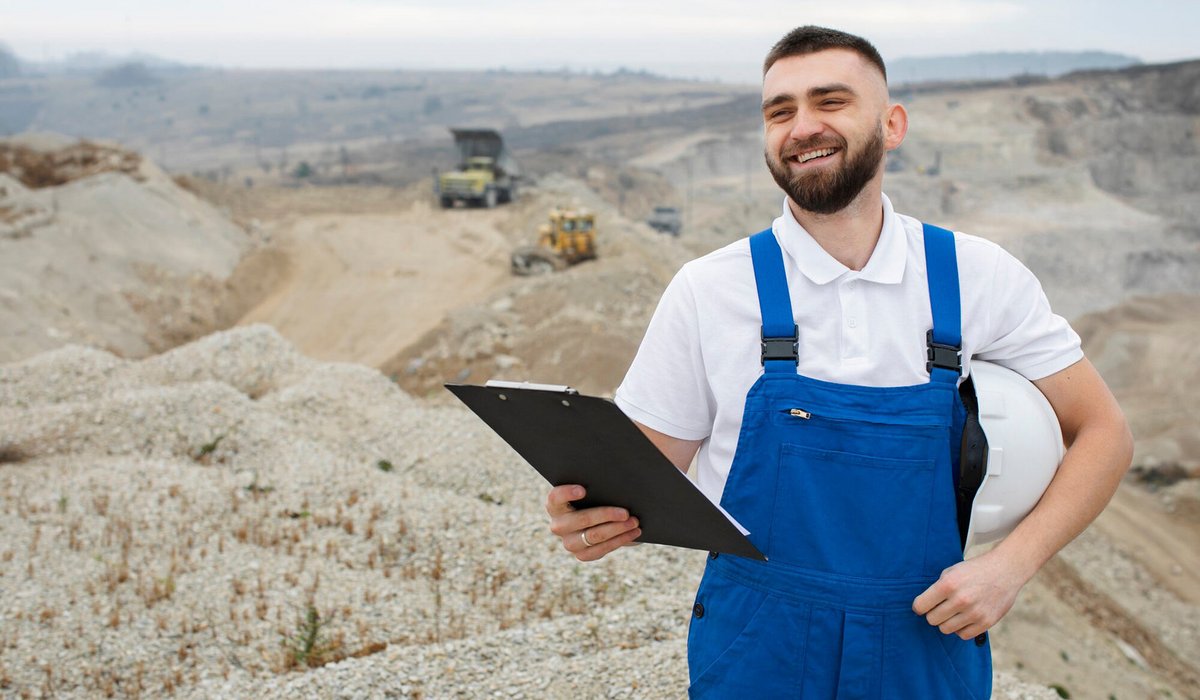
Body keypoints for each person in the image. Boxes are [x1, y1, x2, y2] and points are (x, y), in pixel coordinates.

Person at [544, 25, 1132, 698]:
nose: (802, 127)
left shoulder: (978, 277)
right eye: (780, 111)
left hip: (924, 639)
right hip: (757, 647)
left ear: (892, 124)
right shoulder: (709, 290)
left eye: (830, 101)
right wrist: (588, 515)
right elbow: (643, 476)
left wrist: (1010, 568)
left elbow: (1105, 433)